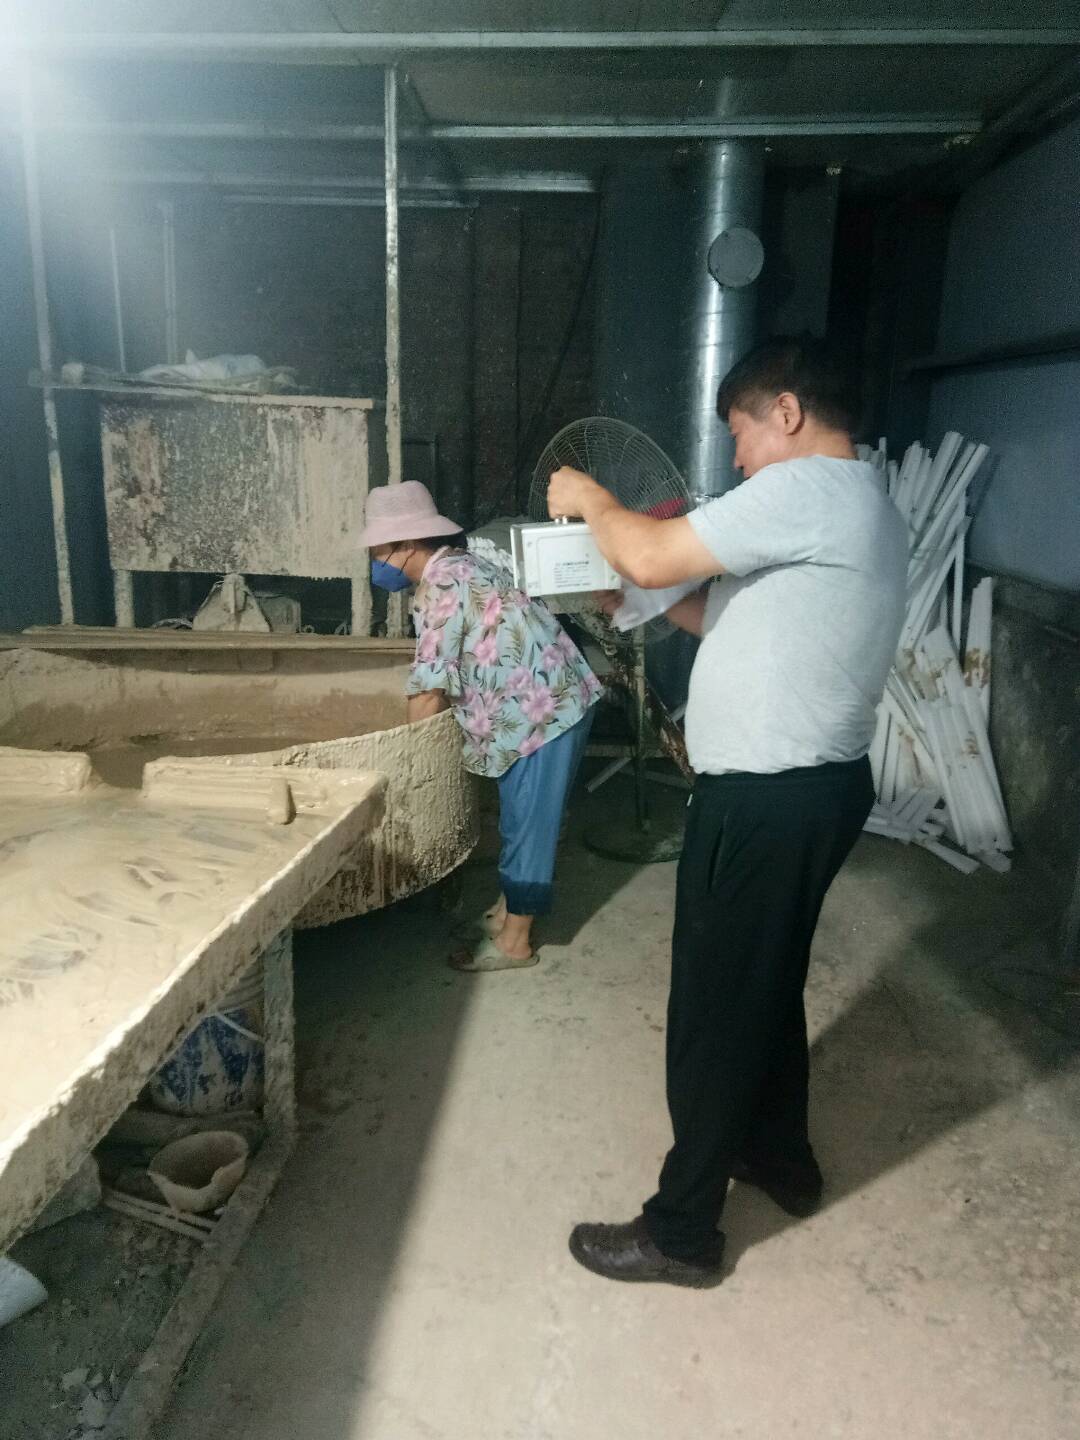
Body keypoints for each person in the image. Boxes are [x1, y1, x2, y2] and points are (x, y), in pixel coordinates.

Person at [547, 336, 908, 1287]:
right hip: (812, 790)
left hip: (765, 799)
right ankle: (778, 1156)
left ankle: (682, 1233)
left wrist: (590, 499)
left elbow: (651, 547)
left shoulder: (805, 488)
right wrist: (636, 599)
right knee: (764, 984)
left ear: (787, 412)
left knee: (712, 1008)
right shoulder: (860, 502)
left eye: (741, 435)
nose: (739, 461)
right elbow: (717, 613)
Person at [359, 480, 601, 972]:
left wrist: (405, 764)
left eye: (378, 551)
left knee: (530, 824)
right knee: (518, 818)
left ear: (406, 544)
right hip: (539, 701)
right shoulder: (460, 564)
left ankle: (516, 942)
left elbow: (428, 691)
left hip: (542, 711)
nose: (375, 562)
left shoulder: (443, 585)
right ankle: (508, 910)